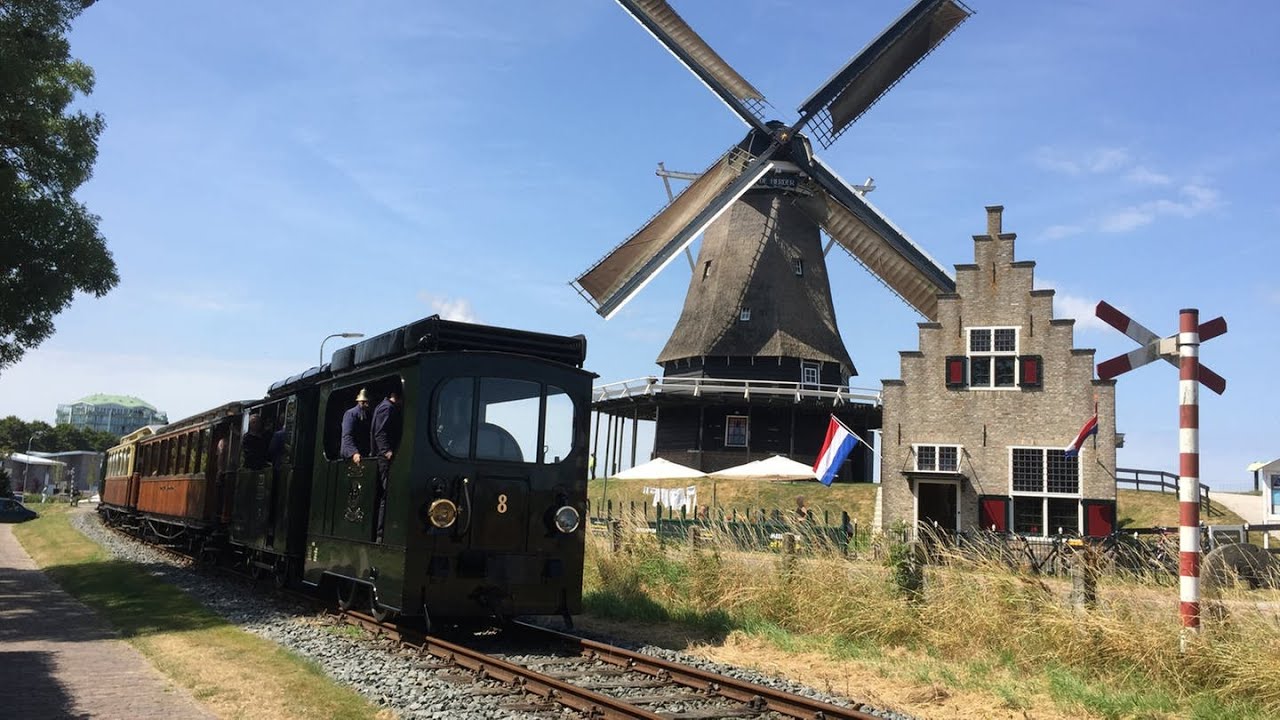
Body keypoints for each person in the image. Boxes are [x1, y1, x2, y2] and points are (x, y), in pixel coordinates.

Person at [371, 389, 402, 543]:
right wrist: (387, 451)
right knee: (386, 493)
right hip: (385, 458)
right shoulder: (387, 408)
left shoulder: (385, 407)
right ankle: (381, 533)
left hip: (384, 456)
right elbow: (380, 432)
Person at [340, 388, 372, 465]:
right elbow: (347, 435)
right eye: (364, 402)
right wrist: (354, 453)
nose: (366, 404)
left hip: (364, 453)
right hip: (352, 457)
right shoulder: (350, 414)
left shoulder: (368, 416)